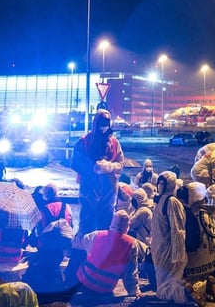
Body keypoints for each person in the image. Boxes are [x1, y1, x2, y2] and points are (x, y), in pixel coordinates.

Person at [67, 109, 125, 284]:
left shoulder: (114, 143)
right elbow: (75, 162)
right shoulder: (84, 142)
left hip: (109, 192)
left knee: (105, 229)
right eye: (101, 124)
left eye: (106, 124)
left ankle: (102, 266)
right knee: (86, 228)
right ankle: (76, 269)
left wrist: (110, 167)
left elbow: (120, 163)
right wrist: (91, 168)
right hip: (89, 192)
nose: (104, 128)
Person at [77, 210, 148, 298]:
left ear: (111, 223)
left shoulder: (96, 235)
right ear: (127, 227)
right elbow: (130, 273)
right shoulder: (131, 244)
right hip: (105, 288)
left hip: (84, 282)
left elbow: (78, 243)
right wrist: (134, 291)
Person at [178, 182, 215, 301]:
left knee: (180, 278)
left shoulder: (191, 214)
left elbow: (191, 242)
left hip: (199, 261)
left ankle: (203, 285)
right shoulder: (208, 210)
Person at [150, 171, 190, 305]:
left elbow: (178, 230)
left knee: (163, 290)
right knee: (165, 283)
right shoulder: (161, 200)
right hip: (159, 250)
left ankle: (186, 293)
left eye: (163, 183)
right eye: (159, 183)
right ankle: (199, 288)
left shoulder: (172, 202)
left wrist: (178, 255)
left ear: (170, 184)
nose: (160, 186)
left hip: (168, 251)